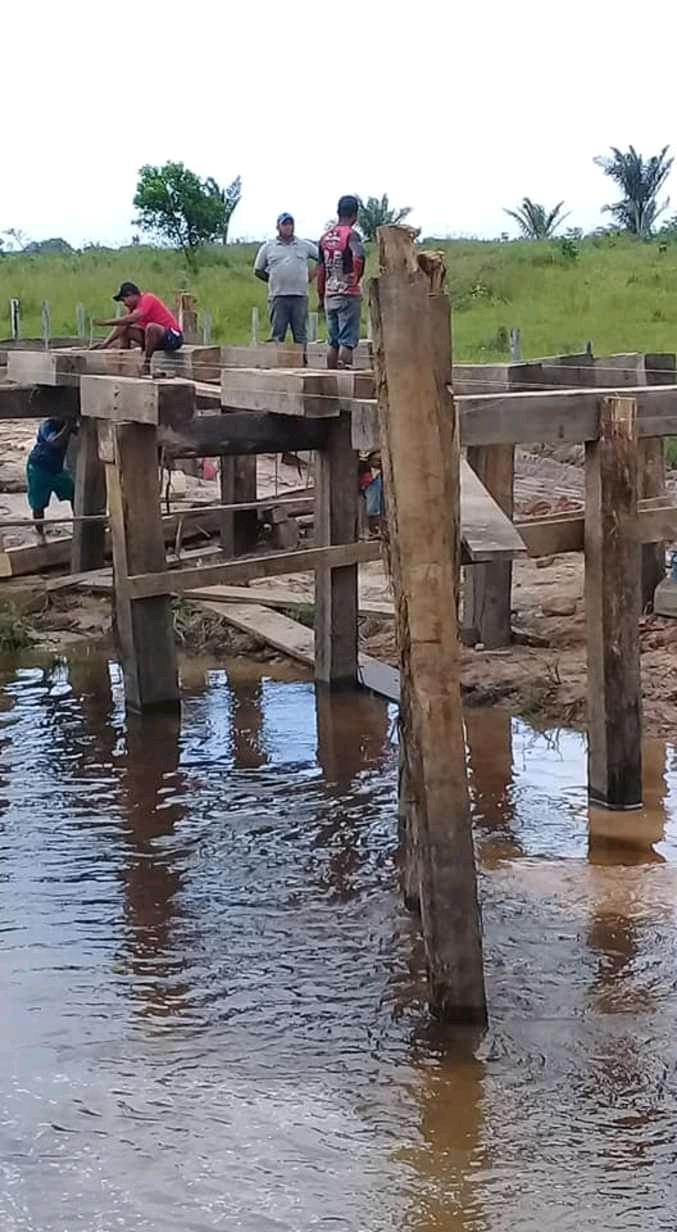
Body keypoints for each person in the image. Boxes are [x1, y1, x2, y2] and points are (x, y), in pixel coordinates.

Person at [254, 213, 318, 346]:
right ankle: (277, 364)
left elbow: (322, 258)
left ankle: (303, 363)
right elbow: (258, 270)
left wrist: (312, 275)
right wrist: (272, 279)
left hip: (299, 296)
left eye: (290, 224)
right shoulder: (268, 247)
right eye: (285, 224)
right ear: (278, 227)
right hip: (278, 296)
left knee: (300, 334)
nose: (288, 227)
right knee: (277, 334)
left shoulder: (304, 245)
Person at [317, 195, 365, 368]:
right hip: (347, 293)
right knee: (347, 341)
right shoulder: (351, 235)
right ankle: (345, 380)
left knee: (333, 341)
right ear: (355, 215)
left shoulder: (325, 237)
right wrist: (356, 278)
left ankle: (330, 378)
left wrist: (321, 295)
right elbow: (358, 257)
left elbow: (321, 269)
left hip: (330, 292)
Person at [93, 282, 183, 372]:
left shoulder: (147, 299)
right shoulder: (133, 308)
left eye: (124, 300)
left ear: (131, 295)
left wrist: (106, 322)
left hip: (172, 337)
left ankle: (147, 363)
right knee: (125, 329)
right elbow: (122, 325)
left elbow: (133, 318)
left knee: (151, 328)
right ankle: (124, 358)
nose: (124, 304)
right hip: (155, 340)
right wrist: (105, 343)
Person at [26, 417, 77, 540]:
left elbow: (82, 433)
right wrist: (68, 425)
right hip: (39, 467)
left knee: (74, 494)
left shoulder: (65, 424)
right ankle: (39, 532)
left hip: (57, 469)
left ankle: (79, 526)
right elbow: (55, 442)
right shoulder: (47, 424)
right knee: (38, 504)